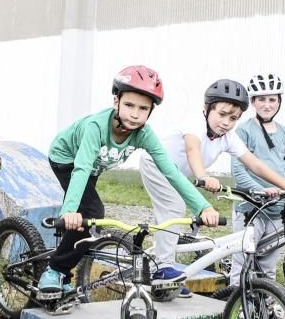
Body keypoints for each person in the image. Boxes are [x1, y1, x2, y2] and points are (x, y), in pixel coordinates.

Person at [38, 66, 221, 298]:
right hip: (67, 160)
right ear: (116, 101)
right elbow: (81, 168)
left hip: (92, 167)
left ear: (151, 111)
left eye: (143, 108)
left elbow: (172, 172)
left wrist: (202, 206)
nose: (135, 114)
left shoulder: (144, 134)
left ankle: (63, 272)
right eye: (129, 105)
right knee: (91, 212)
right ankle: (55, 270)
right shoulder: (96, 127)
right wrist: (69, 211)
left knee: (88, 218)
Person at [139, 78, 285, 296]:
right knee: (173, 207)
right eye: (222, 114)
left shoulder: (228, 138)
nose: (226, 122)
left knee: (174, 217)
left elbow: (255, 164)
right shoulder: (194, 123)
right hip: (155, 164)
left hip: (179, 174)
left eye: (233, 118)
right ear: (206, 109)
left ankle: (166, 274)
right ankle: (164, 270)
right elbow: (192, 150)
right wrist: (204, 176)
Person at [229, 73, 285, 286]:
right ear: (253, 102)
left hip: (276, 209)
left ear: (279, 102)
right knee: (242, 263)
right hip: (250, 209)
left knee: (268, 268)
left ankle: (263, 313)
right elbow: (238, 169)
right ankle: (234, 312)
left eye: (272, 99)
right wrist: (258, 190)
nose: (267, 104)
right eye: (261, 99)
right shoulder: (244, 130)